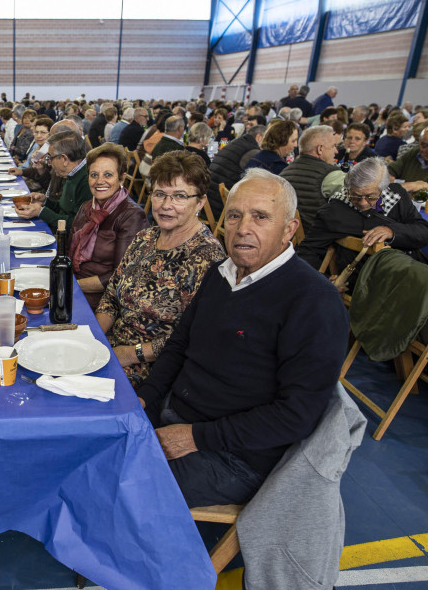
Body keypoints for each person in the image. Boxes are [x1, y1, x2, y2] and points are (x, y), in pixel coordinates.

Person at [136, 168, 349, 507]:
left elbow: (297, 414)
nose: (243, 228)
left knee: (118, 483)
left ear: (289, 229)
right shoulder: (221, 273)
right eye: (234, 215)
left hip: (236, 456)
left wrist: (195, 437)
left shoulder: (314, 301)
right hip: (175, 414)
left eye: (261, 217)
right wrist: (145, 399)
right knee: (92, 444)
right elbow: (179, 346)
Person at [96, 151, 225, 388]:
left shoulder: (207, 256)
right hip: (111, 347)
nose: (166, 205)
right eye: (160, 194)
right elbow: (111, 296)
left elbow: (194, 336)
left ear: (200, 202)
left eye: (179, 196)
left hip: (154, 367)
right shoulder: (146, 237)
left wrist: (128, 353)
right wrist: (94, 338)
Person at [297, 157, 428, 277]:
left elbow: (424, 233)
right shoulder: (334, 211)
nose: (362, 203)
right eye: (354, 196)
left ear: (382, 189)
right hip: (369, 277)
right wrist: (324, 281)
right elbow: (309, 251)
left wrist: (391, 231)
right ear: (347, 188)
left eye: (370, 196)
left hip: (407, 266)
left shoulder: (397, 195)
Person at [68, 143, 148, 310]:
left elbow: (121, 276)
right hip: (74, 286)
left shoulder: (131, 216)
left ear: (122, 178)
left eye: (108, 175)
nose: (100, 181)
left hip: (103, 300)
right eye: (94, 174)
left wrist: (70, 286)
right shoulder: (86, 208)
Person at [14, 131, 91, 232]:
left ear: (64, 159)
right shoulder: (72, 173)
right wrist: (45, 201)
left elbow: (78, 224)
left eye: (50, 157)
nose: (49, 163)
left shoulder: (88, 181)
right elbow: (64, 209)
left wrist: (41, 212)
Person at [279, 125, 340, 235]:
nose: (336, 151)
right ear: (320, 149)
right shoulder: (331, 175)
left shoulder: (284, 174)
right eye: (333, 146)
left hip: (290, 239)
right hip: (321, 243)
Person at [206, 126, 267, 220]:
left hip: (209, 202)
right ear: (259, 137)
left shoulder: (236, 143)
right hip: (221, 209)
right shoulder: (252, 151)